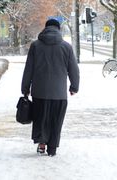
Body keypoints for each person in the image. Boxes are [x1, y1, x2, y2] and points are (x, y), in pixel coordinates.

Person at [21, 19, 80, 157]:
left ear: (45, 28)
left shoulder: (35, 46)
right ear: (58, 29)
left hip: (39, 92)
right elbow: (74, 70)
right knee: (56, 120)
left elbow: (28, 68)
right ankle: (52, 148)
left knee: (40, 118)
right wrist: (74, 87)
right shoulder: (67, 47)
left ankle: (42, 144)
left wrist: (25, 88)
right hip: (59, 93)